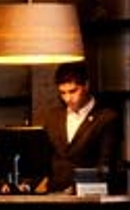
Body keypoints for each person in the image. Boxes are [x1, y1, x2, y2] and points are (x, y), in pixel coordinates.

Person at [45, 62, 125, 192]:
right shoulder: (52, 117)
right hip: (55, 194)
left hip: (90, 195)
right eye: (62, 93)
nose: (68, 98)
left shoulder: (106, 118)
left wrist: (78, 188)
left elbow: (105, 164)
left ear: (86, 85)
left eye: (73, 91)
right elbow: (45, 159)